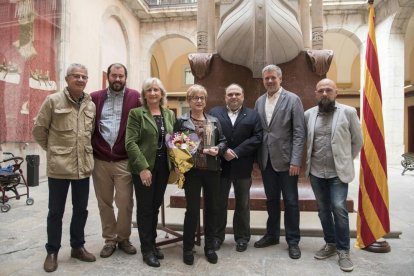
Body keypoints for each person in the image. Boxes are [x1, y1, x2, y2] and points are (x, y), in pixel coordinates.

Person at [32, 63, 97, 273]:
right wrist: (53, 151)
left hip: (83, 166)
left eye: (84, 77)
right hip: (59, 167)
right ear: (67, 79)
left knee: (81, 210)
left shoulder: (90, 104)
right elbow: (39, 130)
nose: (80, 79)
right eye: (76, 76)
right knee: (56, 212)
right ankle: (52, 251)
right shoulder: (53, 100)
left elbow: (91, 132)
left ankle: (77, 246)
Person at [305, 78, 362, 272]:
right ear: (315, 93)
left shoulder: (348, 112)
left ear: (336, 92)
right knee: (322, 209)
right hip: (316, 172)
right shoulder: (308, 115)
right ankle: (330, 244)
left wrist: (346, 159)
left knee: (339, 208)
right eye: (321, 90)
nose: (324, 94)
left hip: (338, 172)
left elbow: (358, 141)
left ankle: (343, 250)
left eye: (328, 90)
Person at [254, 64, 306, 259]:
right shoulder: (259, 101)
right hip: (266, 161)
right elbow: (260, 131)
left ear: (280, 79)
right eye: (266, 78)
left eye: (273, 78)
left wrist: (296, 160)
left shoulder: (293, 99)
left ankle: (293, 241)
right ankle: (272, 235)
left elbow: (300, 133)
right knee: (271, 201)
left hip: (287, 162)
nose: (269, 81)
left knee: (291, 202)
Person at [90, 63, 141, 258]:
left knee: (125, 202)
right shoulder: (94, 98)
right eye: (114, 76)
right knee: (104, 202)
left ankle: (124, 238)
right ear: (108, 77)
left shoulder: (135, 97)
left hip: (124, 160)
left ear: (126, 77)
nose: (117, 79)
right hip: (100, 159)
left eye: (121, 76)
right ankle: (110, 239)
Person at [125, 77, 175, 268]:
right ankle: (146, 249)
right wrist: (143, 168)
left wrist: (179, 160)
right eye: (149, 90)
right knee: (145, 209)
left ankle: (153, 243)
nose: (153, 93)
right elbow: (130, 142)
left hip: (163, 168)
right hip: (145, 168)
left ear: (162, 93)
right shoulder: (136, 114)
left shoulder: (169, 114)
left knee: (154, 207)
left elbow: (172, 141)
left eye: (156, 90)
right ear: (144, 94)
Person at [174, 84, 227, 265]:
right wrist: (179, 162)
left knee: (212, 210)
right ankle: (188, 248)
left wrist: (218, 149)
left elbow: (223, 141)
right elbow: (176, 146)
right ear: (189, 101)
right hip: (192, 172)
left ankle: (209, 247)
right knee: (192, 211)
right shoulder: (181, 121)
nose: (199, 101)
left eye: (202, 98)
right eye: (195, 98)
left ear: (206, 101)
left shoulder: (214, 120)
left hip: (212, 171)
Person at [209, 83, 263, 252]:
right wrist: (223, 150)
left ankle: (242, 237)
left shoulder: (253, 115)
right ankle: (217, 237)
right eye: (230, 94)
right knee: (219, 204)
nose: (234, 97)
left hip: (242, 166)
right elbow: (210, 135)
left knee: (243, 204)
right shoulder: (214, 113)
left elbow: (257, 137)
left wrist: (237, 151)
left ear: (243, 96)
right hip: (220, 165)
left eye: (237, 94)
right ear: (225, 97)